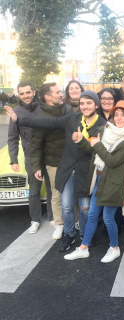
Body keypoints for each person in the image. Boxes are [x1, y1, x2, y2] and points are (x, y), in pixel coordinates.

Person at [5, 90, 106, 252]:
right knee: (66, 206)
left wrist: (81, 141)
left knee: (85, 208)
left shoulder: (102, 124)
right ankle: (69, 234)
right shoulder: (72, 118)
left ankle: (86, 235)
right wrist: (19, 120)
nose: (85, 106)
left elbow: (99, 152)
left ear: (96, 104)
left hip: (87, 172)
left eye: (89, 103)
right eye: (82, 103)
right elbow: (47, 123)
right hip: (67, 169)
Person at [64, 101, 124, 263]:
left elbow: (111, 161)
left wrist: (97, 145)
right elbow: (94, 149)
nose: (119, 118)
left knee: (108, 218)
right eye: (116, 114)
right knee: (91, 215)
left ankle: (114, 248)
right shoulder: (104, 131)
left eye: (123, 115)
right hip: (98, 178)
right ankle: (84, 248)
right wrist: (81, 141)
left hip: (113, 183)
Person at [7, 81, 52, 234]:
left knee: (52, 187)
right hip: (31, 156)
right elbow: (12, 138)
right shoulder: (16, 112)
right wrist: (13, 160)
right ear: (18, 95)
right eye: (22, 93)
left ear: (33, 92)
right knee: (34, 190)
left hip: (48, 153)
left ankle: (53, 218)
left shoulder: (45, 106)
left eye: (28, 92)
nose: (25, 96)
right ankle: (35, 220)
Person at [31, 82, 72, 240]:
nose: (61, 94)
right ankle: (59, 223)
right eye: (57, 92)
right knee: (57, 194)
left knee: (73, 193)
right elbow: (35, 146)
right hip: (54, 162)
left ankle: (73, 221)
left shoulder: (67, 110)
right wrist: (36, 166)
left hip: (72, 160)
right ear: (48, 97)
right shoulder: (41, 118)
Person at [63, 80, 85, 230]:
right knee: (68, 201)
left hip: (84, 157)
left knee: (84, 199)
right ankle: (70, 230)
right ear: (67, 91)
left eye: (77, 88)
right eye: (71, 88)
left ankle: (82, 226)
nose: (75, 90)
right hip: (69, 155)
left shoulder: (87, 107)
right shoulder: (64, 109)